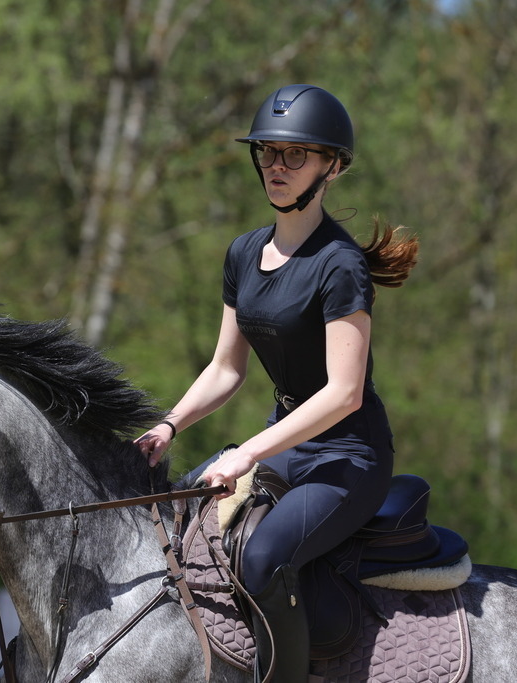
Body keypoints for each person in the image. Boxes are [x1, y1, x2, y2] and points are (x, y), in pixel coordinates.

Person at [136, 84, 418, 683]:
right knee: (181, 522)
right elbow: (226, 369)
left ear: (331, 167)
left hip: (349, 456)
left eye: (296, 155)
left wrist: (246, 454)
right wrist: (169, 424)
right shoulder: (243, 253)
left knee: (264, 559)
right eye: (267, 152)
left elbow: (343, 393)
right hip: (286, 444)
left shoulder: (340, 264)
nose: (277, 166)